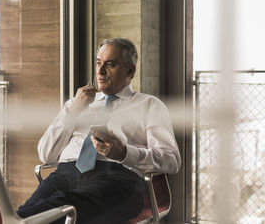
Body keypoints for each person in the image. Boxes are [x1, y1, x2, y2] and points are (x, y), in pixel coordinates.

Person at [17, 38, 181, 223]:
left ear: (130, 70)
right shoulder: (77, 103)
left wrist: (125, 153)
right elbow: (46, 155)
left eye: (110, 64)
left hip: (117, 176)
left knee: (59, 208)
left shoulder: (149, 105)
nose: (100, 71)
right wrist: (70, 112)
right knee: (32, 209)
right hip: (65, 173)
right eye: (98, 63)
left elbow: (172, 160)